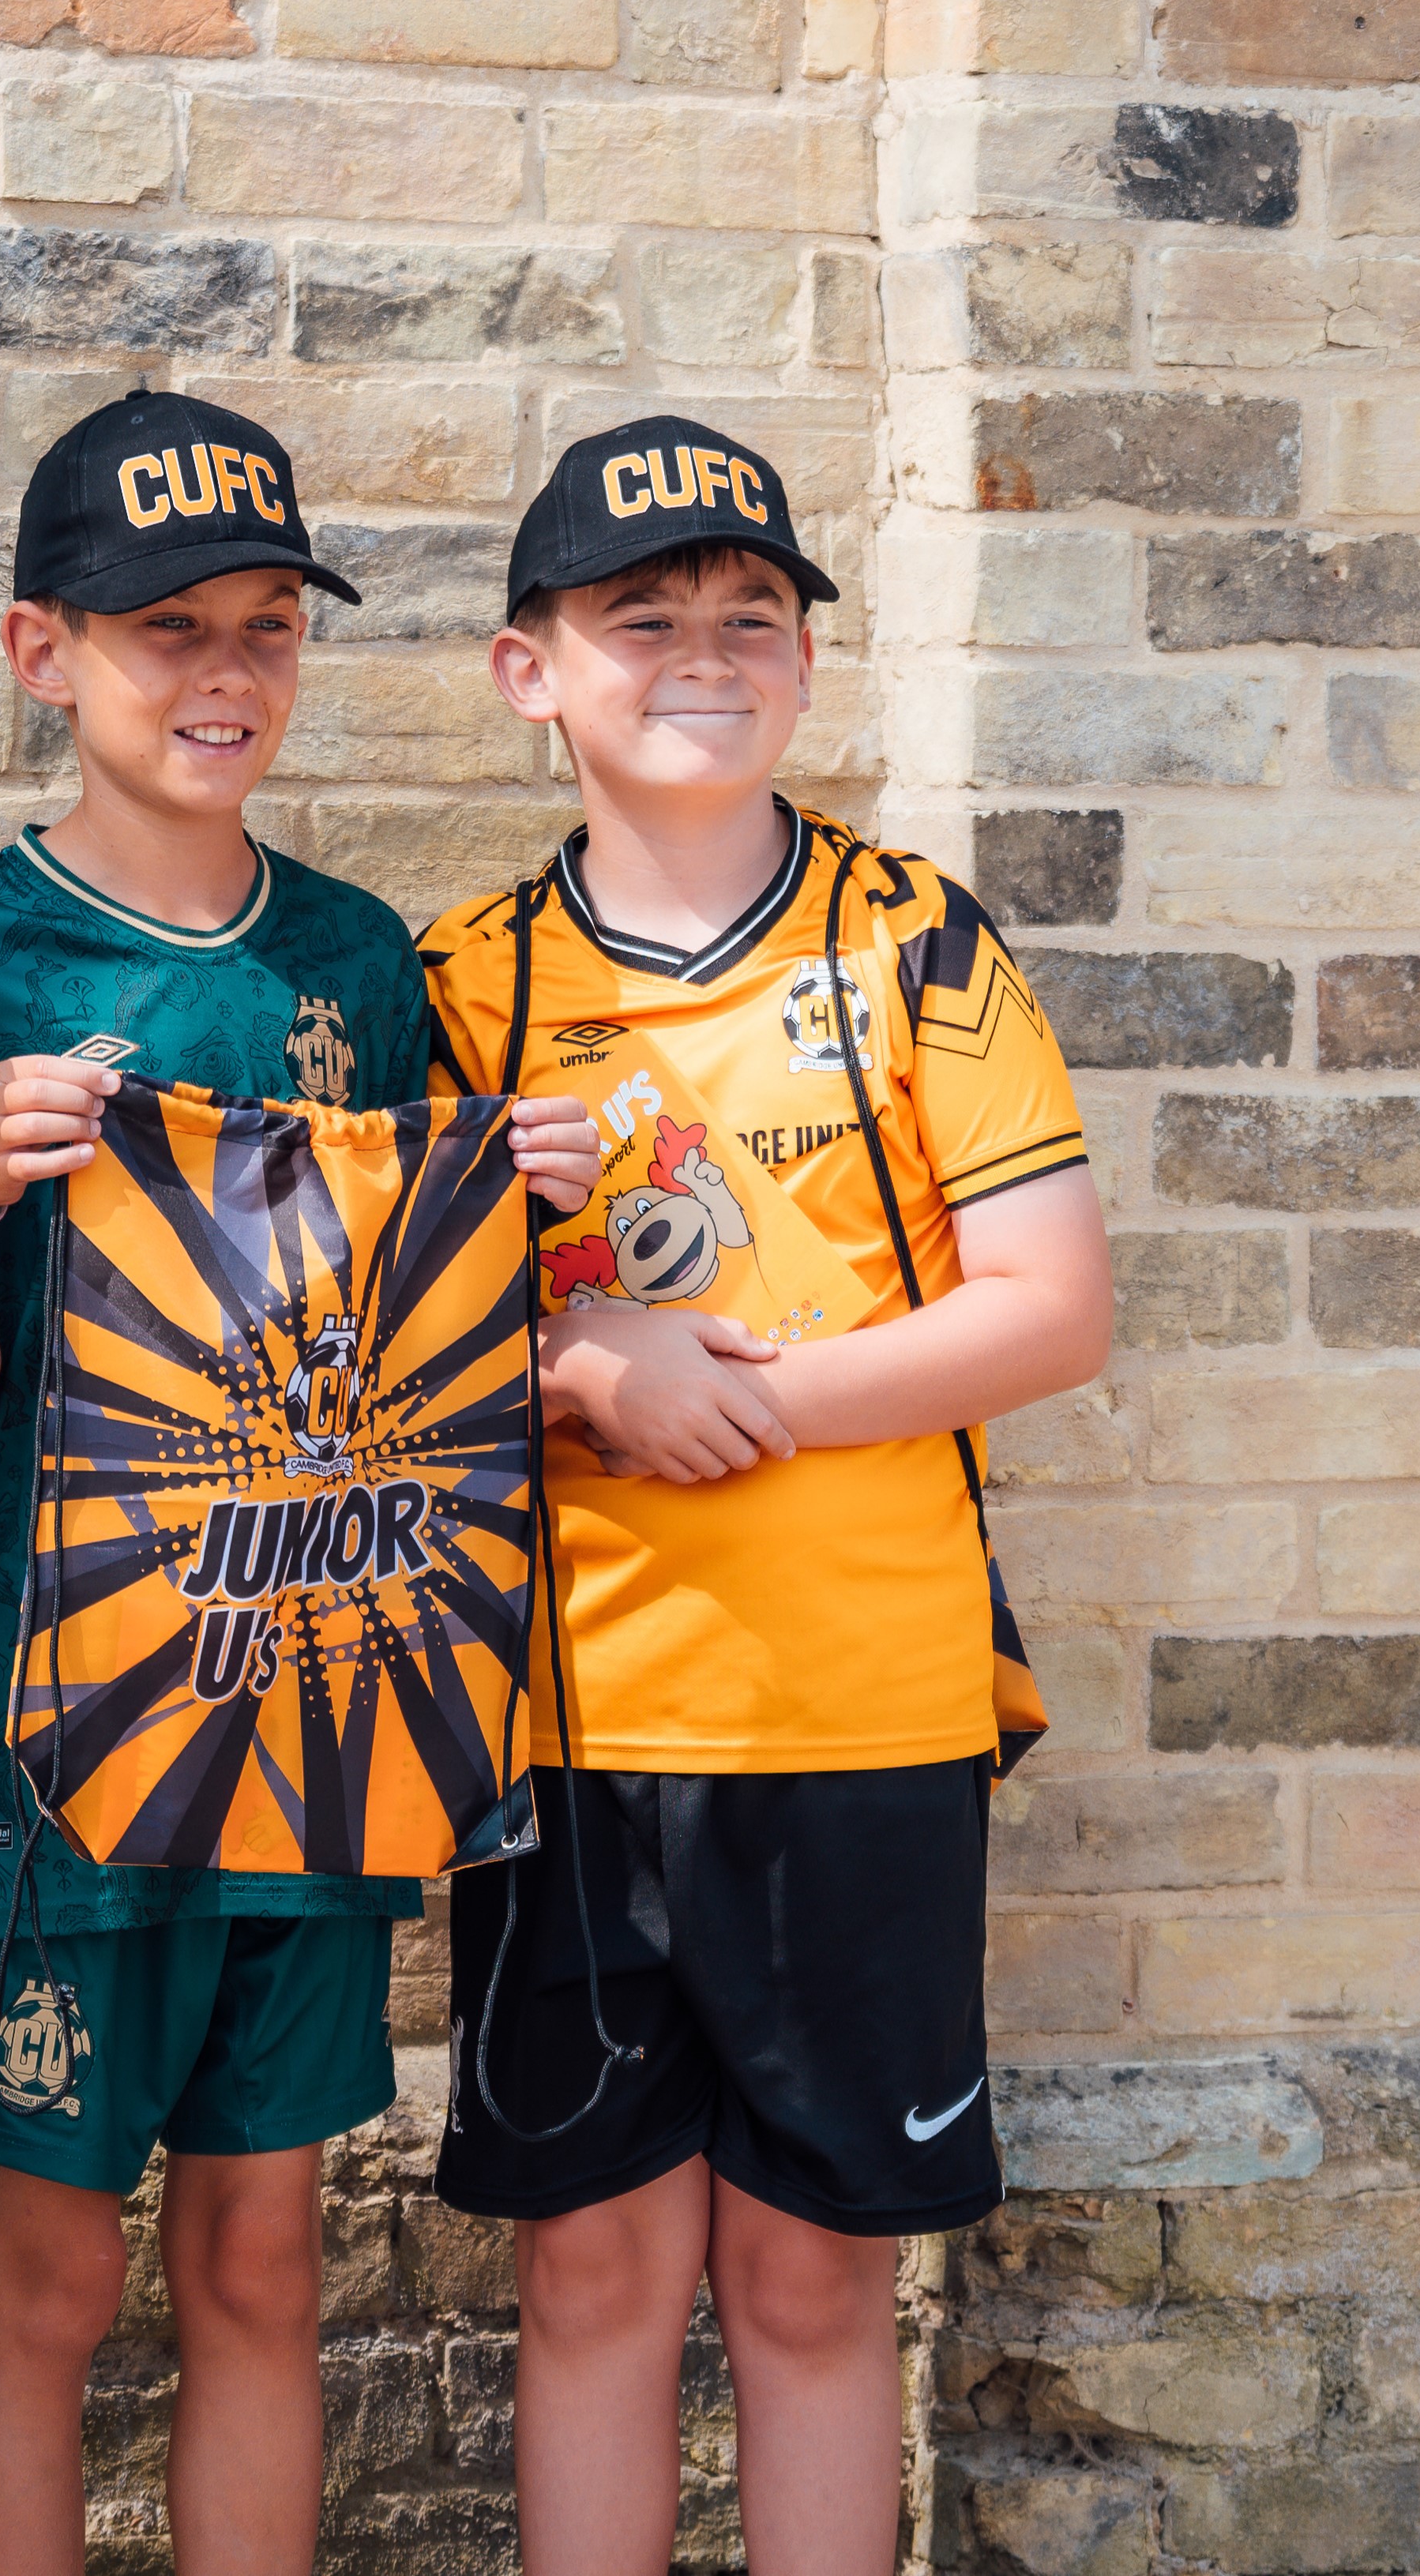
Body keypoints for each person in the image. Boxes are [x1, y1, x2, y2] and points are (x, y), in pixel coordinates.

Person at [0, 389, 590, 2576]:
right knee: (45, 2288)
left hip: (320, 1712)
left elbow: (434, 1326)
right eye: (170, 631)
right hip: (58, 1745)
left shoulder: (361, 964)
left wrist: (524, 1202)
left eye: (269, 624)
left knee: (267, 2268)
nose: (229, 673)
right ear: (37, 650)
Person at [415, 416, 1114, 2576]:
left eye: (754, 618)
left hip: (863, 1725)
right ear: (534, 669)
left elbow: (1051, 1309)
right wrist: (576, 1361)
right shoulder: (459, 991)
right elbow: (365, 1368)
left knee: (815, 2291)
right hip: (576, 1739)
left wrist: (764, 1399)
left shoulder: (914, 943)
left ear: (808, 662)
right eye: (643, 620)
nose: (705, 655)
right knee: (595, 2286)